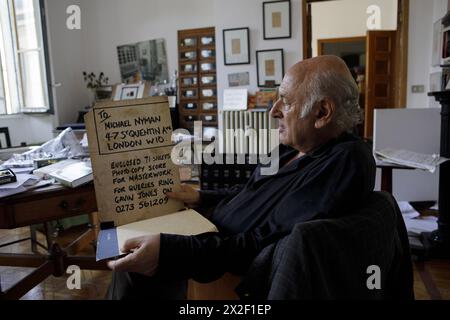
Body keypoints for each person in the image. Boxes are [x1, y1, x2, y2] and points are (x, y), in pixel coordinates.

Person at [105, 55, 376, 300]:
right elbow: (249, 190)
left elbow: (266, 240)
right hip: (207, 232)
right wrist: (201, 196)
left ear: (322, 112)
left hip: (223, 260)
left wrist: (170, 252)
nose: (274, 111)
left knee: (132, 264)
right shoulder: (290, 148)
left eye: (287, 101)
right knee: (130, 233)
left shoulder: (346, 161)